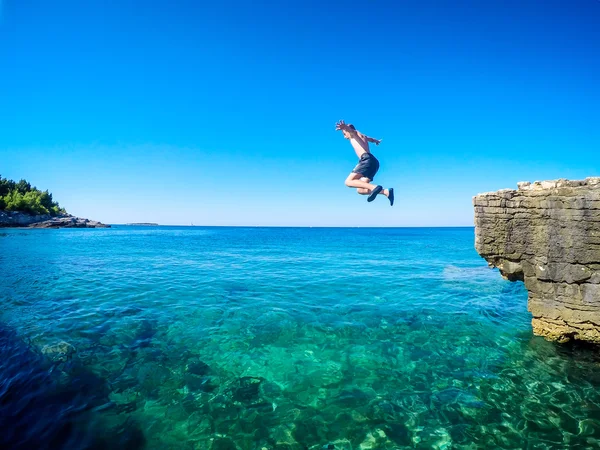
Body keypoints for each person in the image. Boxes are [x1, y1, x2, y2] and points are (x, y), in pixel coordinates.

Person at [335, 120, 394, 206]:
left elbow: (351, 131)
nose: (345, 137)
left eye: (344, 134)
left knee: (348, 182)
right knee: (360, 190)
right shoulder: (363, 136)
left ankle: (374, 187)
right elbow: (371, 139)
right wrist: (376, 141)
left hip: (366, 160)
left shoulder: (354, 134)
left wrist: (345, 127)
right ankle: (386, 192)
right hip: (374, 162)